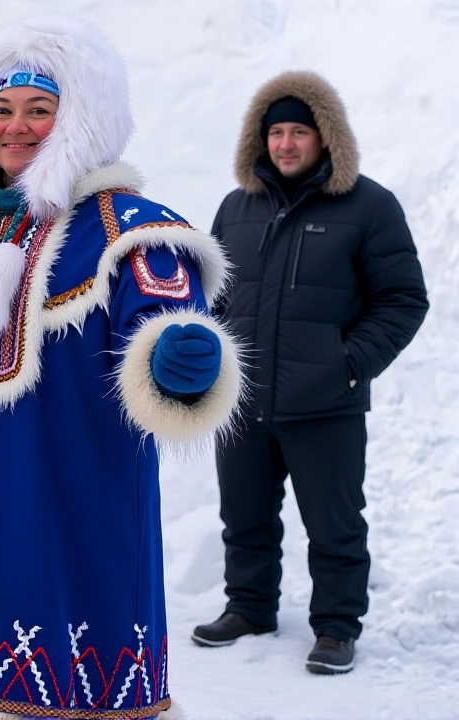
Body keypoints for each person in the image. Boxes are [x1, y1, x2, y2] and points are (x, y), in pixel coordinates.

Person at [0, 16, 243, 720]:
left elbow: (164, 330)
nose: (16, 127)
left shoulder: (129, 231)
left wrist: (182, 358)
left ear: (80, 121)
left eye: (39, 110)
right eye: (1, 110)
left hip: (67, 519)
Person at [192, 71, 428, 675]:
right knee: (243, 516)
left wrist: (348, 365)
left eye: (300, 131)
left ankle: (336, 628)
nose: (287, 145)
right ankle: (249, 607)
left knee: (335, 524)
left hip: (325, 402)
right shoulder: (236, 207)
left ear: (325, 137)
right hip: (243, 401)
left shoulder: (369, 206)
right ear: (260, 139)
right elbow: (214, 296)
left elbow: (403, 299)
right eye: (277, 133)